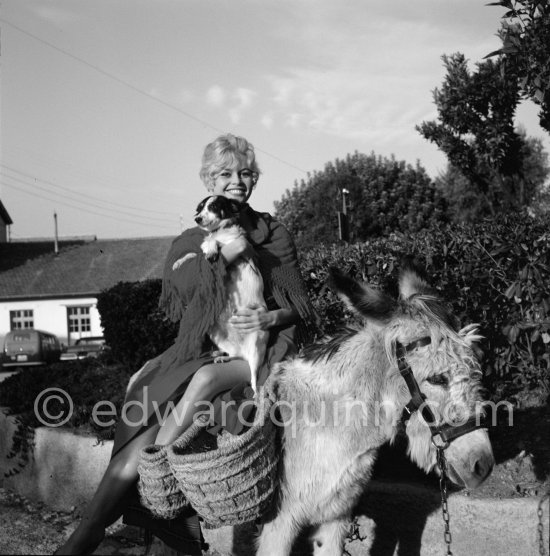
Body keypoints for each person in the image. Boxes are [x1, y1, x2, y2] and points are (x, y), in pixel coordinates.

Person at [55, 134, 316, 555]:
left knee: (208, 379)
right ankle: (89, 529)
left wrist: (270, 315)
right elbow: (187, 284)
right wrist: (225, 249)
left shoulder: (274, 232)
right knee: (146, 389)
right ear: (208, 179)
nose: (238, 181)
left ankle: (148, 481)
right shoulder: (192, 237)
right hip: (206, 343)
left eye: (245, 173)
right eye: (226, 174)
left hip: (263, 348)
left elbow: (299, 306)